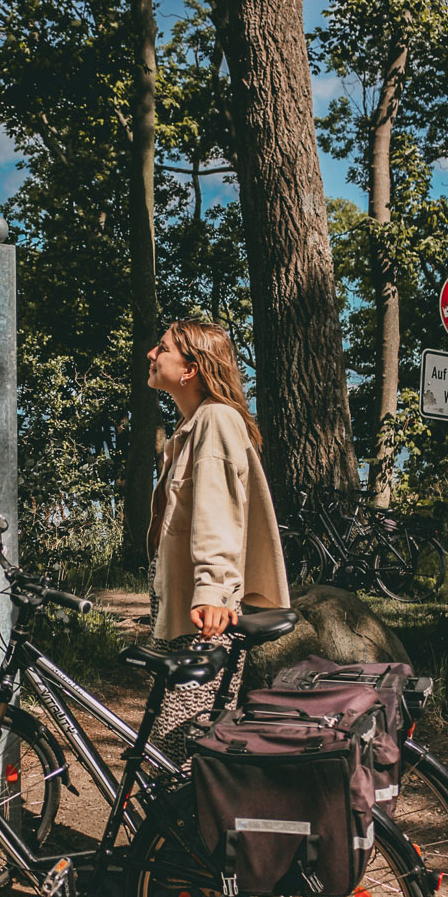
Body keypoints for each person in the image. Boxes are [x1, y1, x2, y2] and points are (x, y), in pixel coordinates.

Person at [145, 319, 290, 765]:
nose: (151, 354)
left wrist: (212, 590)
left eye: (163, 348)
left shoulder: (216, 420)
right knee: (178, 745)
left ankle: (188, 834)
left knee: (177, 750)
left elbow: (220, 512)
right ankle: (182, 832)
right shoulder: (193, 425)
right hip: (190, 614)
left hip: (206, 619)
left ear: (190, 369)